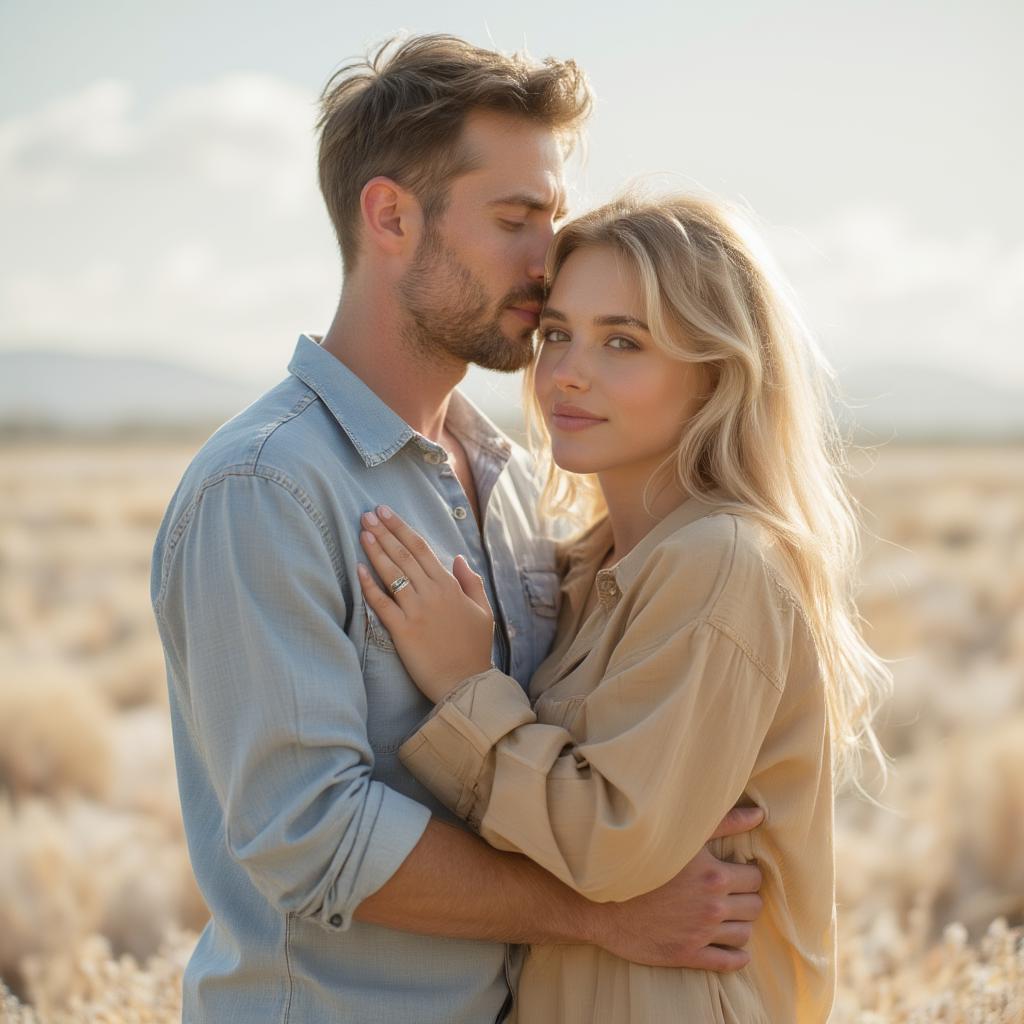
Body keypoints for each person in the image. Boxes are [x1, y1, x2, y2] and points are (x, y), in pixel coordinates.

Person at [151, 37, 765, 1023]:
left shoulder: (518, 481)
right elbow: (309, 833)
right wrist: (603, 912)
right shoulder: (265, 486)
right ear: (390, 215)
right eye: (516, 220)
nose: (549, 259)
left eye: (552, 221)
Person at [355, 193, 892, 1022]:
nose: (568, 371)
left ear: (715, 370)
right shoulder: (582, 570)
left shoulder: (723, 562)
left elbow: (614, 845)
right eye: (557, 333)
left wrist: (464, 686)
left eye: (623, 342)